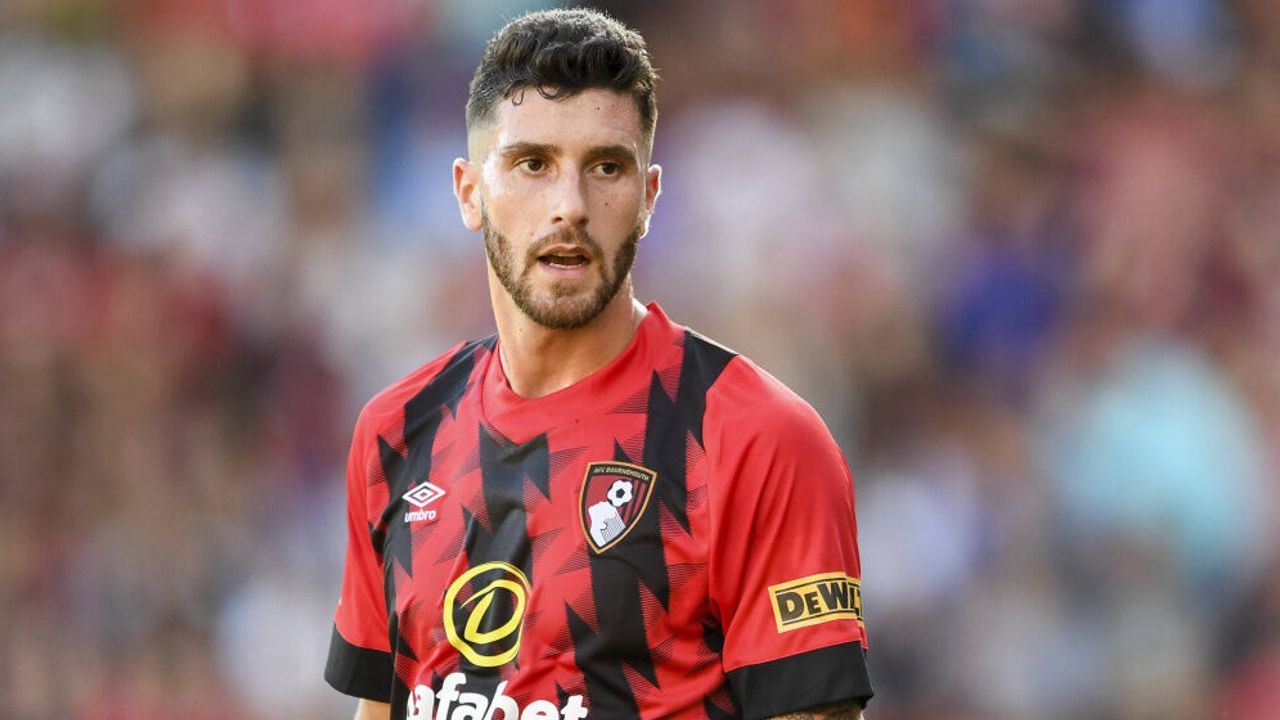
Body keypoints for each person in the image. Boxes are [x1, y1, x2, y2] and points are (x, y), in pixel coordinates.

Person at [324, 8, 872, 720]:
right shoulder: (397, 433)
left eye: (606, 167)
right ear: (469, 193)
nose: (570, 206)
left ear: (648, 198)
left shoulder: (756, 439)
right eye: (533, 164)